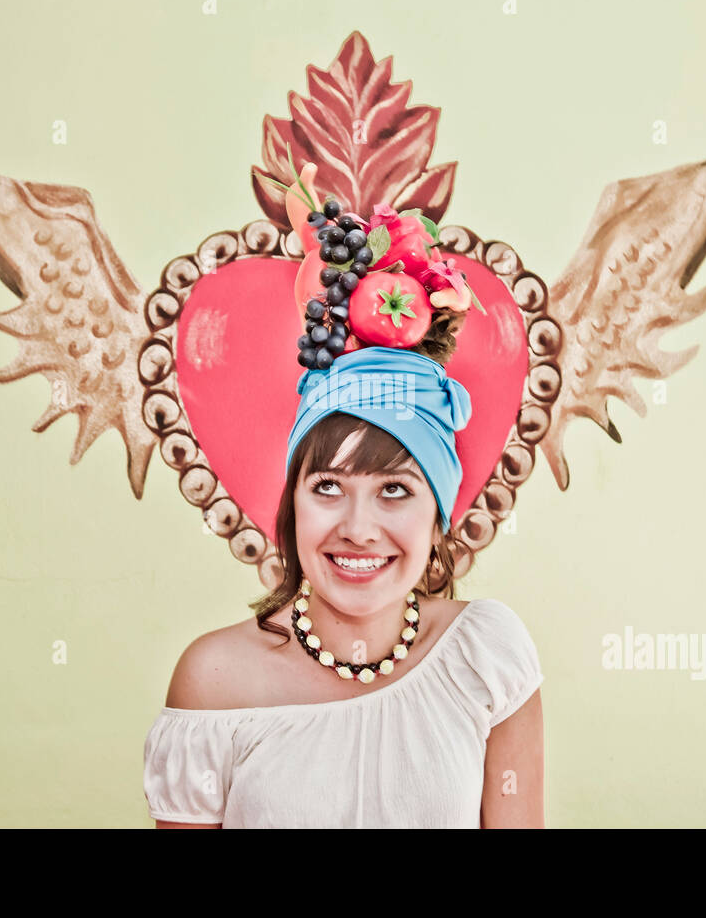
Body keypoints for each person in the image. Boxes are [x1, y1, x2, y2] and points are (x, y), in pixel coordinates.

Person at [142, 176, 544, 828]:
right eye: (328, 487)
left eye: (395, 490)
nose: (359, 529)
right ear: (292, 505)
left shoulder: (487, 655)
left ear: (439, 514)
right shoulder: (214, 682)